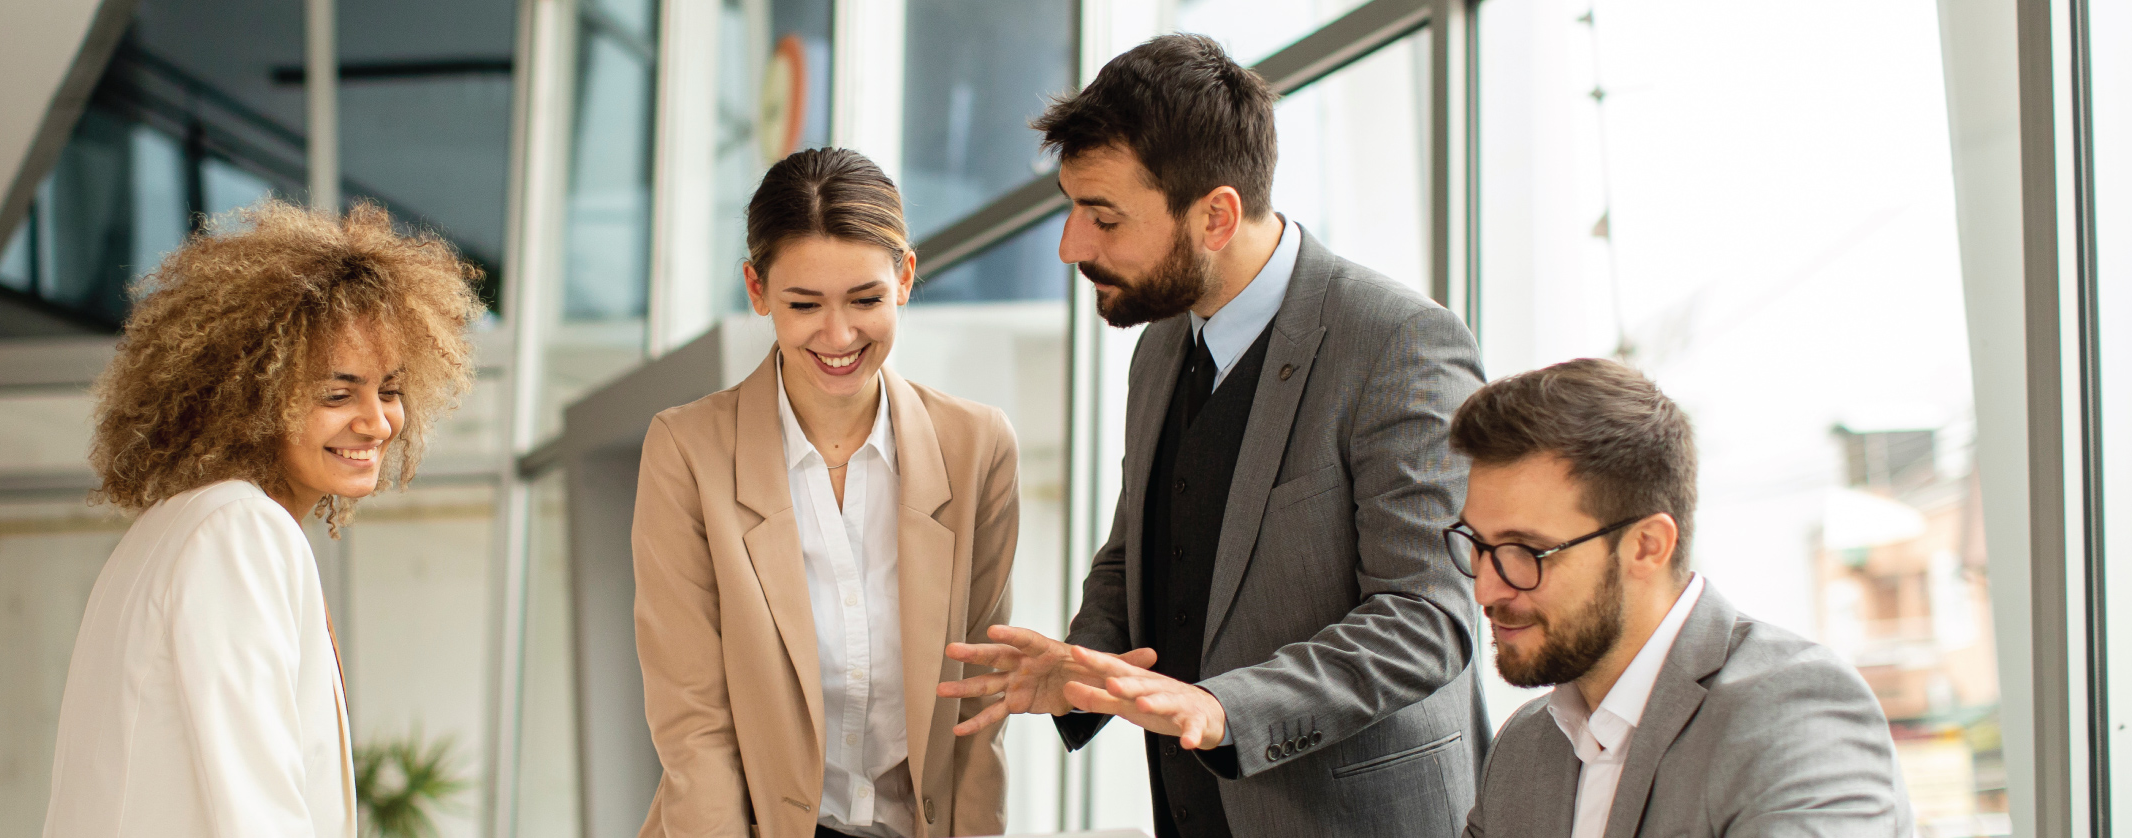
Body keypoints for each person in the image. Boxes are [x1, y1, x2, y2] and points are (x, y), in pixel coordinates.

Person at [937, 33, 1486, 837]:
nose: (1071, 247)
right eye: (1072, 207)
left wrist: (1222, 709)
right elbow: (1140, 550)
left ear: (1217, 216)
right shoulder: (1161, 345)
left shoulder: (1401, 342)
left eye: (1104, 217)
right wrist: (1079, 665)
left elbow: (1426, 618)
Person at [42, 200, 484, 838]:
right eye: (338, 393)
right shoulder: (238, 530)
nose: (377, 420)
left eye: (388, 389)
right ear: (253, 394)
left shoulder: (179, 528)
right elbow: (256, 808)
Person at [631, 147, 1017, 838]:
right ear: (756, 290)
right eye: (803, 304)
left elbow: (976, 712)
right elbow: (694, 725)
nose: (838, 336)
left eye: (865, 300)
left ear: (904, 277)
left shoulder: (977, 447)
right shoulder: (688, 451)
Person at [1452, 359, 1912, 837]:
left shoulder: (1794, 711)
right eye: (1478, 545)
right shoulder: (1520, 750)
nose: (1485, 587)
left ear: (1647, 546)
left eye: (1525, 552)